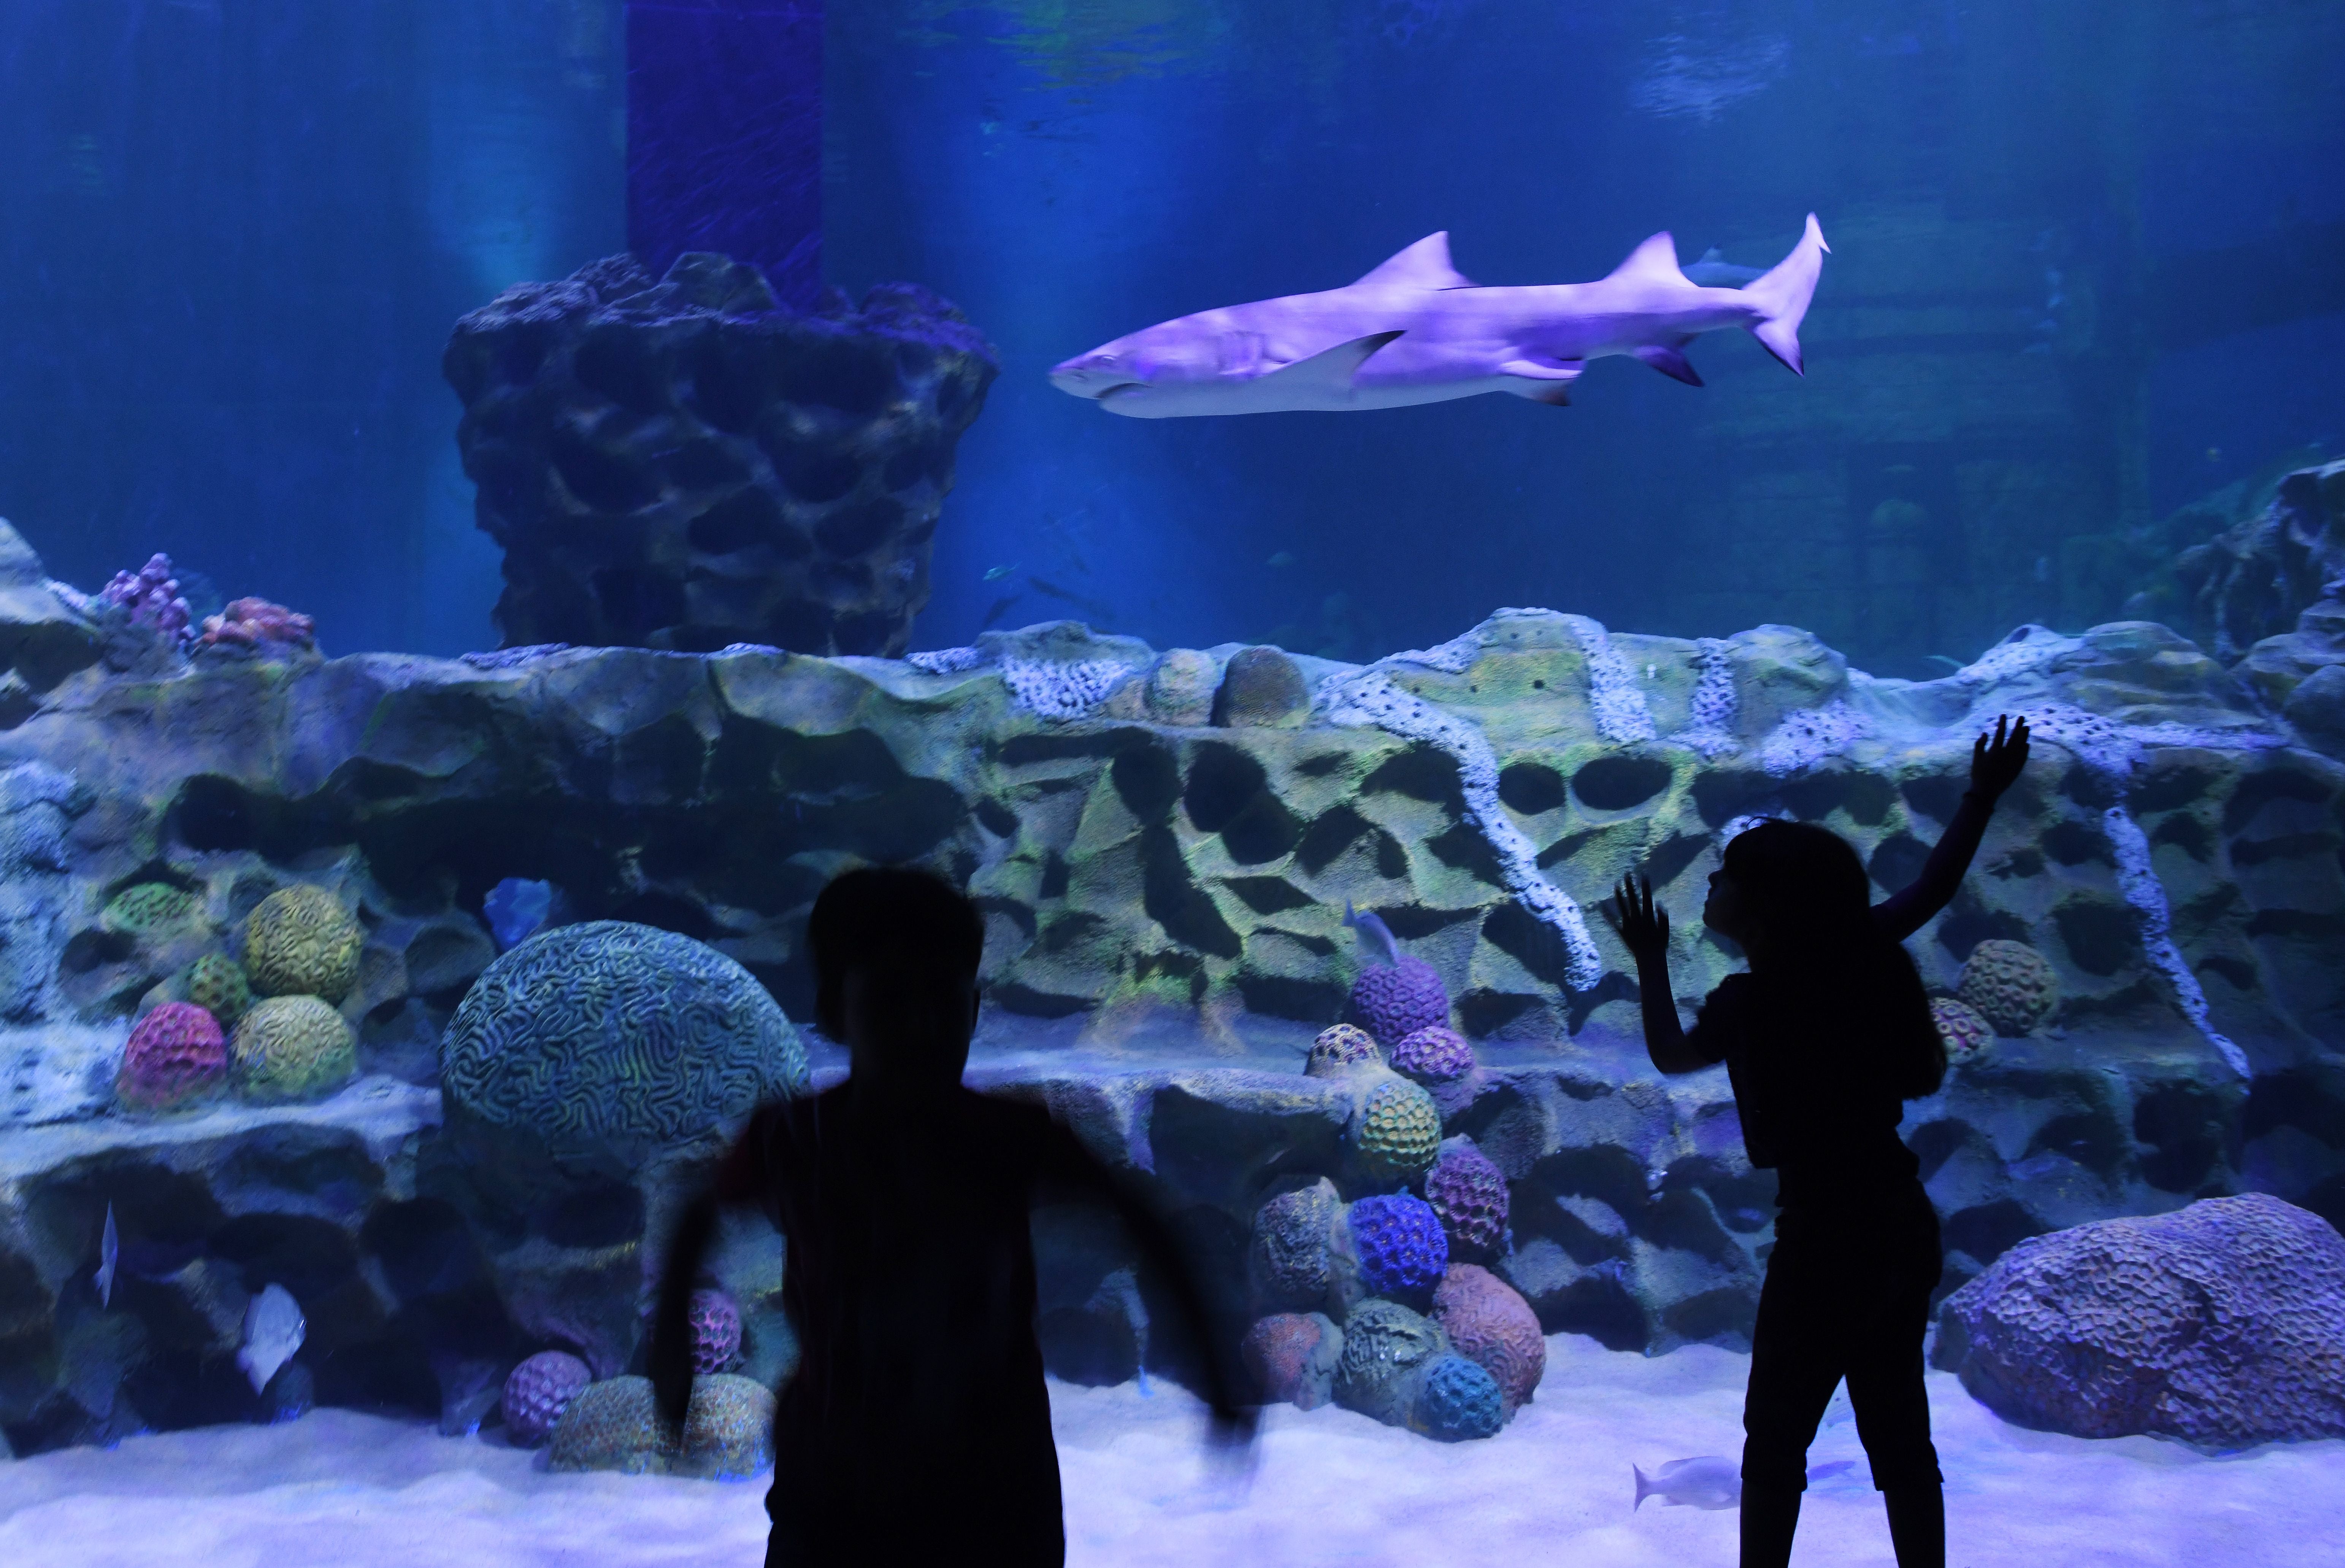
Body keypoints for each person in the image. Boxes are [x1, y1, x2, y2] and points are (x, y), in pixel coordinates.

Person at [649, 866, 1256, 1568]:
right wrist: (672, 1348)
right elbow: (698, 1215)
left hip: (994, 1486)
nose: (922, 1026)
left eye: (943, 999)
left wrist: (1214, 1363)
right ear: (834, 1010)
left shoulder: (1011, 1136)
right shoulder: (792, 1140)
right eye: (890, 999)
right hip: (839, 1476)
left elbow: (1141, 1216)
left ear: (974, 1010)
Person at [1608, 716, 2031, 1568]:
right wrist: (1982, 795)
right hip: (1897, 1222)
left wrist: (1649, 958)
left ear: (1762, 909)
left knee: (1775, 1440)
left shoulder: (1748, 1002)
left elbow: (1668, 1052)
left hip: (1823, 1237)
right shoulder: (1861, 954)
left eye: (1727, 874)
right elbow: (1936, 885)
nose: (1714, 881)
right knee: (1898, 1430)